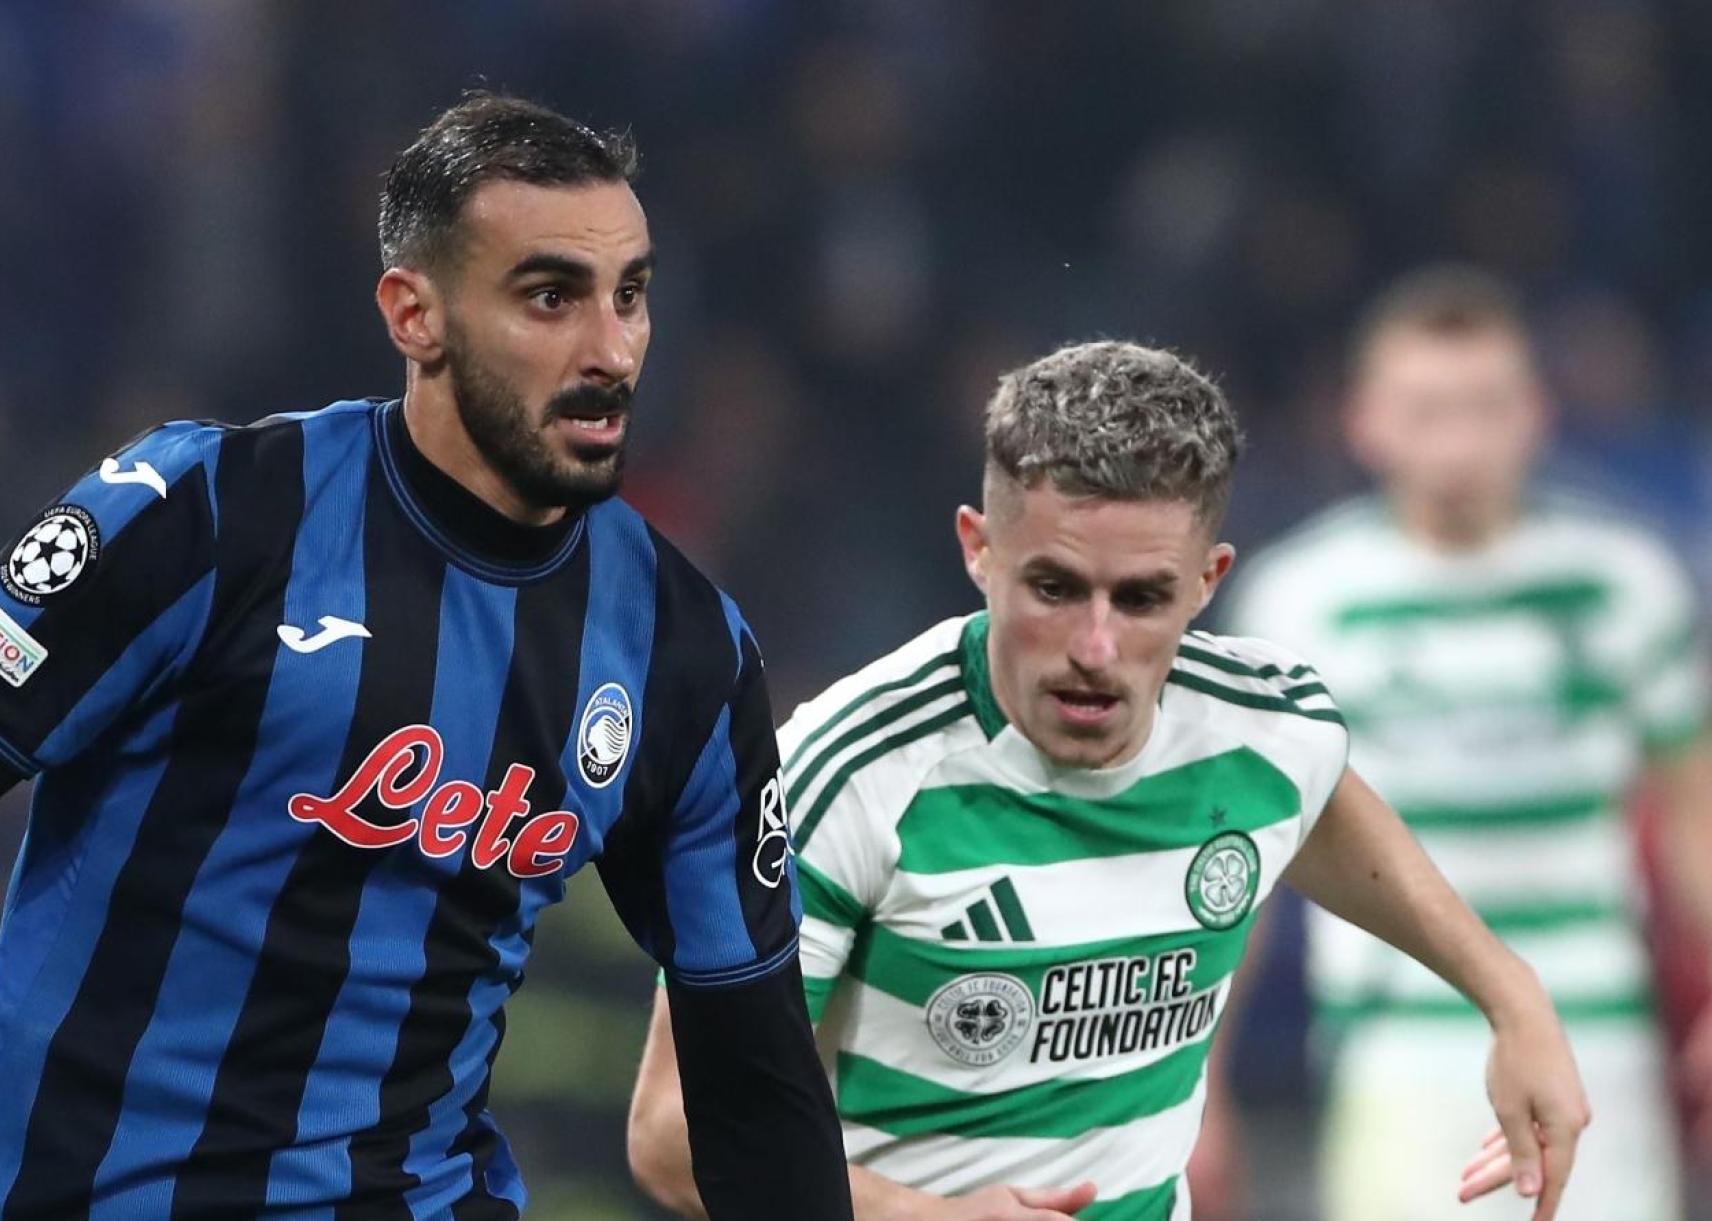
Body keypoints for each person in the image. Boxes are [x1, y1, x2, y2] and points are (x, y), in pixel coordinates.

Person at [0, 92, 851, 1221]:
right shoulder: (204, 517)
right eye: (551, 296)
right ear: (413, 315)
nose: (611, 349)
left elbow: (756, 1084)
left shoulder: (684, 649)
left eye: (630, 295)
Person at [624, 340, 1591, 1221]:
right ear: (979, 548)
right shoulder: (841, 775)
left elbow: (1326, 813)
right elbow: (676, 1132)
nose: (1095, 647)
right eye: (1054, 588)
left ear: (1207, 579)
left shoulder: (1264, 727)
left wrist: (1511, 995)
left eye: (1141, 599)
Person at [1209, 267, 1712, 1221]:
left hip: (1596, 1036)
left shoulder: (1625, 584)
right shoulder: (1304, 600)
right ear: (1367, 420)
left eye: (1484, 406)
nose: (1459, 439)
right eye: (1428, 408)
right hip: (1397, 1048)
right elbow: (1249, 857)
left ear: (1535, 413)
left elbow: (1695, 810)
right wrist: (1198, 1081)